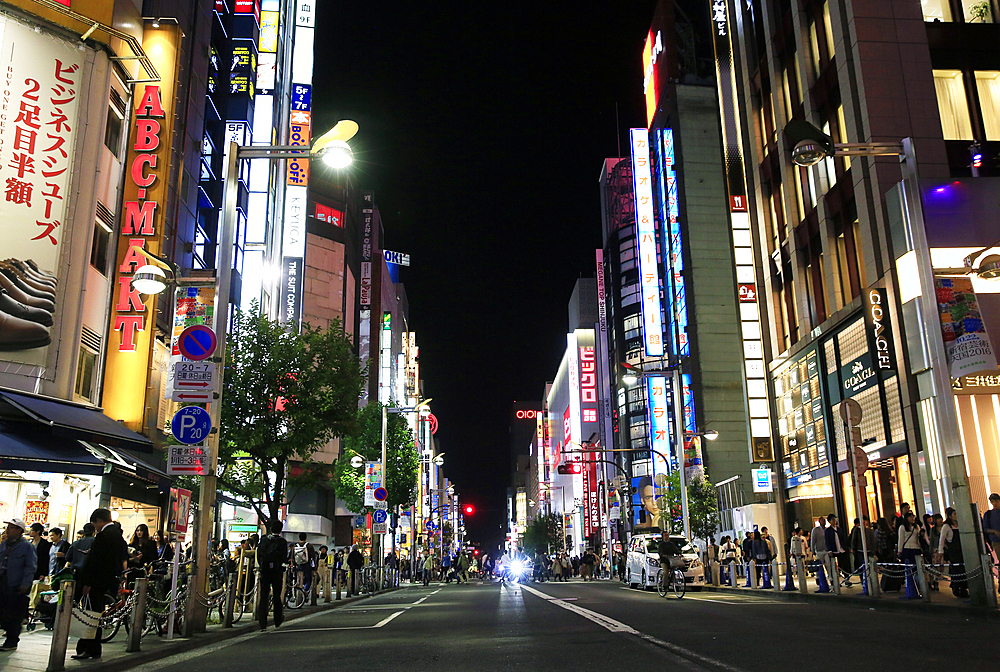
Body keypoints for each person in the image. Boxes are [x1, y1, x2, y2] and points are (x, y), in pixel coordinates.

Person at [72, 508, 120, 659]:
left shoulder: (103, 535)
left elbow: (96, 563)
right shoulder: (116, 533)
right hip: (107, 580)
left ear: (99, 520)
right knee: (96, 613)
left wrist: (88, 583)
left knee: (90, 614)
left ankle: (89, 647)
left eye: (95, 523)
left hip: (96, 581)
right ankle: (93, 648)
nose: (95, 527)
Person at [0, 518, 36, 652]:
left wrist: (25, 584)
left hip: (15, 584)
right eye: (8, 527)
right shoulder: (4, 544)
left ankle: (12, 641)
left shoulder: (27, 546)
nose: (8, 530)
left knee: (13, 615)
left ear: (19, 531)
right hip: (2, 582)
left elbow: (30, 567)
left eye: (11, 528)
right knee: (2, 612)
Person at [255, 520, 287, 631]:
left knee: (264, 596)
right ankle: (277, 619)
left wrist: (262, 566)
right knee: (277, 595)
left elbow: (258, 555)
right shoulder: (282, 542)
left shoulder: (263, 540)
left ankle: (262, 622)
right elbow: (284, 558)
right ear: (280, 529)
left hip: (265, 571)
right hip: (277, 572)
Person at [938, 507, 968, 598]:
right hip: (953, 552)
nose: (956, 516)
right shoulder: (946, 526)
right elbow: (942, 539)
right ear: (950, 516)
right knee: (956, 569)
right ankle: (956, 586)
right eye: (954, 514)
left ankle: (964, 588)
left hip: (962, 549)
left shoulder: (961, 524)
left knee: (964, 569)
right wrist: (940, 551)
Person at [824, 514, 847, 581]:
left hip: (841, 549)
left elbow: (843, 539)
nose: (834, 521)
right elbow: (827, 541)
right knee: (834, 566)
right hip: (834, 550)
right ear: (829, 521)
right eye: (833, 520)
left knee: (843, 565)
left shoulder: (839, 529)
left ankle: (846, 578)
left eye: (835, 519)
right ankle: (835, 580)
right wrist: (829, 550)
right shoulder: (827, 531)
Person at [983, 494, 1000, 566]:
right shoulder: (988, 514)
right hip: (996, 541)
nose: (994, 503)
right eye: (992, 501)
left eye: (996, 501)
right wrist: (994, 531)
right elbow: (985, 528)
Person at [810, 517, 828, 586]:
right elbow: (813, 540)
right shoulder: (815, 530)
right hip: (819, 550)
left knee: (828, 565)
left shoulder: (827, 530)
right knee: (819, 565)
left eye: (824, 521)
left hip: (826, 550)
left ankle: (831, 579)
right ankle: (818, 578)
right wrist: (813, 549)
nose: (823, 522)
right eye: (822, 521)